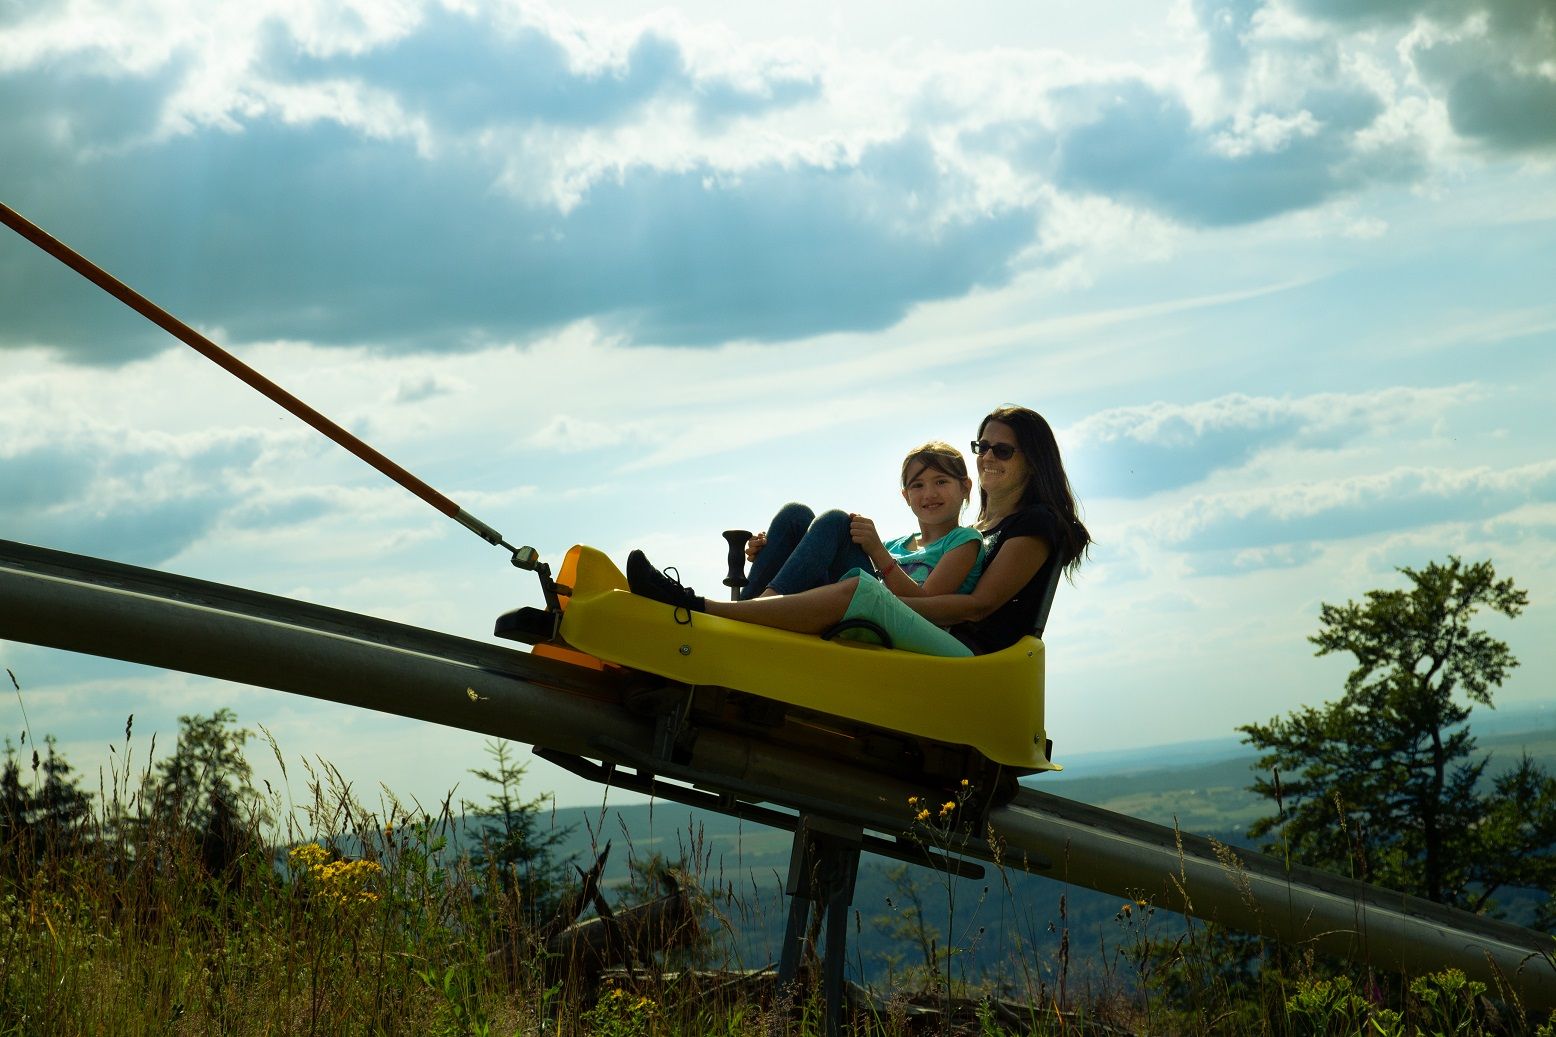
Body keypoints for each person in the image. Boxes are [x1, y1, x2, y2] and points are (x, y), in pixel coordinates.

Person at [627, 405, 1090, 658]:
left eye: (1003, 450)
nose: (988, 455)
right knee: (801, 517)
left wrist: (881, 599)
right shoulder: (980, 528)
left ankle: (700, 610)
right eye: (982, 445)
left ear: (1033, 458)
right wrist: (791, 557)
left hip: (967, 650)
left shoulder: (1035, 524)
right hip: (928, 619)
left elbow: (979, 605)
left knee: (848, 564)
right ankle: (754, 609)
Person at [740, 441, 984, 600]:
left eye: (941, 481)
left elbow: (926, 603)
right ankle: (747, 603)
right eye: (918, 485)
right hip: (846, 602)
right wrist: (776, 550)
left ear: (965, 487)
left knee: (837, 521)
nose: (929, 494)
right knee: (795, 515)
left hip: (895, 625)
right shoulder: (895, 545)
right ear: (906, 496)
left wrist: (877, 551)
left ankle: (760, 607)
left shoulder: (964, 540)